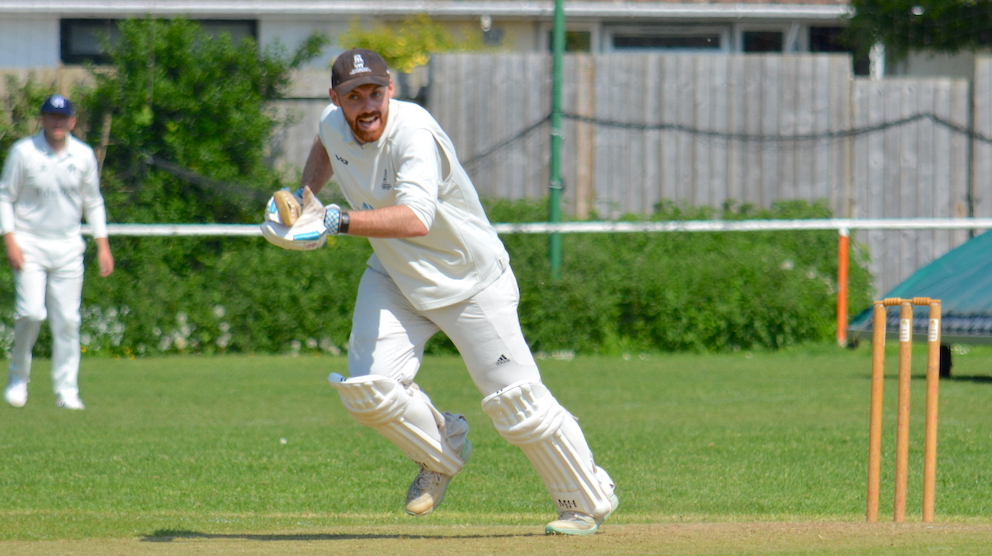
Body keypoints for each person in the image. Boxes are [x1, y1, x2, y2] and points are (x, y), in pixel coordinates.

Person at [260, 48, 617, 535]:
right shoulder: (331, 123)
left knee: (516, 403)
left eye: (375, 93)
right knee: (368, 392)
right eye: (354, 96)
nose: (367, 107)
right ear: (336, 99)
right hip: (397, 277)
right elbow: (326, 146)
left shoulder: (415, 133)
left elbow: (415, 218)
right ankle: (442, 451)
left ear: (390, 90)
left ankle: (585, 500)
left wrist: (335, 219)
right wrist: (305, 198)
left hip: (469, 281)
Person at [0, 94, 114, 410]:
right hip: (29, 244)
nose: (57, 123)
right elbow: (5, 197)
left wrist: (102, 244)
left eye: (62, 118)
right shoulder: (24, 152)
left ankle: (67, 390)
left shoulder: (83, 155)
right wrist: (10, 239)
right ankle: (18, 379)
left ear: (72, 121)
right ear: (42, 120)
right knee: (31, 313)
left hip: (67, 246)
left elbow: (93, 201)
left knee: (67, 320)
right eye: (51, 117)